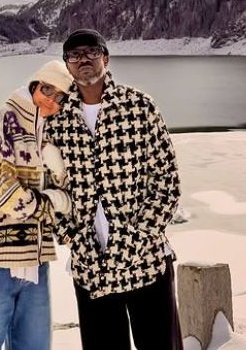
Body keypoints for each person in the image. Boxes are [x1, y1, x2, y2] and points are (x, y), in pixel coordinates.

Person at [45, 29, 183, 350]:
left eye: (91, 52)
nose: (83, 60)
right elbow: (51, 188)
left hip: (145, 260)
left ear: (105, 59)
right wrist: (73, 237)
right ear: (67, 65)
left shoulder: (138, 106)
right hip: (92, 266)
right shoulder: (57, 120)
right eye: (74, 55)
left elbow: (166, 180)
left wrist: (140, 236)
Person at [0, 60, 73, 350]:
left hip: (35, 265)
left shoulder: (47, 134)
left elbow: (68, 195)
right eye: (47, 89)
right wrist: (54, 202)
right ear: (34, 85)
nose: (51, 100)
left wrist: (59, 173)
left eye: (60, 97)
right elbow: (9, 199)